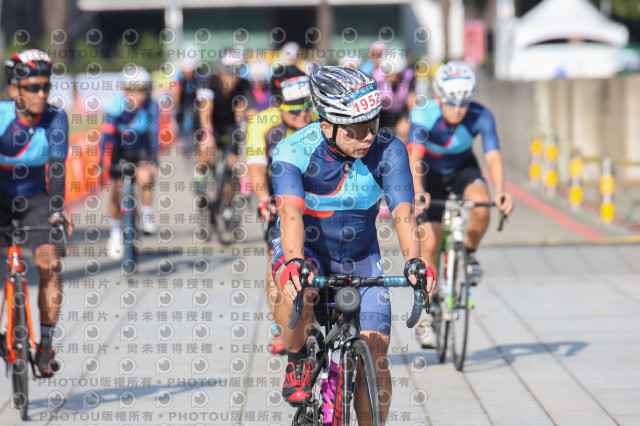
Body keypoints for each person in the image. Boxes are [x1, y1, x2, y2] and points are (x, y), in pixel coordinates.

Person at [271, 66, 435, 424]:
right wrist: (294, 261)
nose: (367, 137)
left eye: (372, 125)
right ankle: (298, 359)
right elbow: (289, 214)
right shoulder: (293, 150)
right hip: (308, 249)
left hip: (361, 256)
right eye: (355, 130)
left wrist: (415, 262)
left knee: (376, 355)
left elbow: (403, 212)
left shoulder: (388, 149)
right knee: (293, 283)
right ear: (326, 125)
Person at [407, 61, 514, 347]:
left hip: (462, 168)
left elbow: (492, 156)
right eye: (451, 103)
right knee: (430, 243)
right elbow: (414, 156)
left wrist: (501, 191)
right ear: (438, 97)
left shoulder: (481, 115)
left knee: (481, 203)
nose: (458, 110)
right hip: (428, 173)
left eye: (464, 103)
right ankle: (426, 314)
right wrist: (418, 190)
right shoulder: (424, 112)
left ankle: (469, 255)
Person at [1, 49, 74, 377]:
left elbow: (56, 168)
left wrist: (57, 211)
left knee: (50, 264)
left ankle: (45, 345)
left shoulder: (56, 118)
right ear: (14, 89)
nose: (41, 94)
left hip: (34, 198)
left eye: (46, 86)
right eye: (32, 87)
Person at [246, 65, 314, 356]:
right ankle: (279, 325)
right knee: (278, 263)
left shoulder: (320, 119)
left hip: (316, 198)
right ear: (277, 104)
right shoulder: (262, 123)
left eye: (307, 105)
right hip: (278, 200)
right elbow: (256, 167)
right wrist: (264, 199)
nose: (303, 114)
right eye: (295, 108)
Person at [195, 47, 257, 238]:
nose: (234, 77)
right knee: (206, 151)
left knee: (232, 166)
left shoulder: (244, 84)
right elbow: (205, 111)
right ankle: (200, 176)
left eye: (238, 72)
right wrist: (208, 135)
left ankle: (228, 209)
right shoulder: (209, 82)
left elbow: (251, 111)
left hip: (230, 125)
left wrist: (250, 119)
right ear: (220, 71)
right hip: (209, 121)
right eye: (230, 72)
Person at [101, 65, 159, 260]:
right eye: (133, 89)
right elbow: (107, 136)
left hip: (141, 148)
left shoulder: (151, 106)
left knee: (146, 177)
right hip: (119, 148)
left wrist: (153, 160)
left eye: (143, 90)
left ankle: (147, 215)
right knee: (116, 191)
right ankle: (115, 230)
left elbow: (154, 135)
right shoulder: (115, 105)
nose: (138, 95)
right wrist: (102, 161)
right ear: (125, 90)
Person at [372, 47, 417, 144]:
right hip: (382, 113)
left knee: (403, 130)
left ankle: (402, 151)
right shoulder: (376, 76)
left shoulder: (408, 76)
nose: (391, 76)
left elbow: (412, 100)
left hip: (401, 111)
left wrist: (412, 120)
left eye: (395, 73)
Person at [170, 57, 201, 154]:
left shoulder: (198, 78)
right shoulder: (179, 77)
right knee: (181, 122)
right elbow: (176, 93)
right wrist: (175, 107)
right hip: (182, 103)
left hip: (193, 103)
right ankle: (183, 140)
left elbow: (200, 93)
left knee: (194, 121)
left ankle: (195, 140)